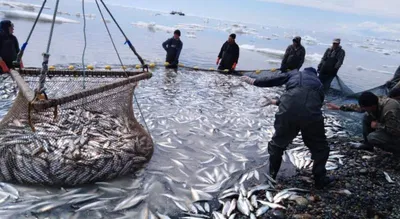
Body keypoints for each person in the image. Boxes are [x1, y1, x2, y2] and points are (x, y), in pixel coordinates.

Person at [241, 68, 334, 189]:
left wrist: (254, 81)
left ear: (303, 71)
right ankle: (319, 180)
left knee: (277, 145)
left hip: (287, 111)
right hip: (311, 115)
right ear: (314, 74)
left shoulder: (295, 74)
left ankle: (272, 176)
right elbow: (310, 100)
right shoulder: (319, 83)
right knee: (320, 148)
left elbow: (275, 80)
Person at [326, 87, 400, 113]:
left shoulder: (392, 109)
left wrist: (378, 125)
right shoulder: (381, 101)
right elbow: (360, 108)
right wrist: (339, 107)